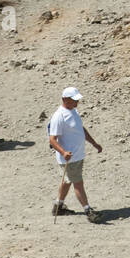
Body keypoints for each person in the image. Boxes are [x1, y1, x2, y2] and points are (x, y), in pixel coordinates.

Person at [48, 87, 103, 223]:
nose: (77, 102)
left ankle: (58, 206)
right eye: (74, 100)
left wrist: (93, 143)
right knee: (78, 183)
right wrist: (63, 152)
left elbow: (80, 129)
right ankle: (88, 210)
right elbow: (52, 139)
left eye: (77, 100)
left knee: (68, 181)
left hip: (78, 155)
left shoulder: (74, 111)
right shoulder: (59, 116)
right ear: (65, 99)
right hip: (69, 158)